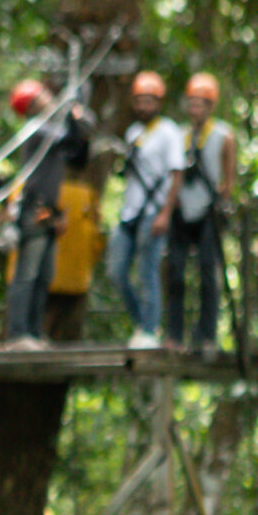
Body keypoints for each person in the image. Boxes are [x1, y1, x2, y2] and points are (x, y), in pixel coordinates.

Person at [2, 79, 92, 346]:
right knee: (27, 273)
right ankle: (18, 333)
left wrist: (80, 122)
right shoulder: (37, 131)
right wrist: (75, 115)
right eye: (41, 96)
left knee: (44, 275)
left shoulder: (50, 130)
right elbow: (70, 139)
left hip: (50, 210)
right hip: (35, 208)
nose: (48, 98)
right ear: (31, 106)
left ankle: (33, 331)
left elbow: (77, 155)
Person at [163, 73, 239, 352]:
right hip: (181, 211)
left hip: (208, 210)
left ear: (210, 106)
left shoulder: (223, 135)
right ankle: (174, 335)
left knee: (208, 272)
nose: (195, 109)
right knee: (176, 272)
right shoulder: (179, 135)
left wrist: (220, 200)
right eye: (192, 103)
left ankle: (207, 336)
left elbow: (228, 177)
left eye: (201, 104)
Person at [104, 71, 180, 348]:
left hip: (154, 211)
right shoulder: (134, 133)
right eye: (140, 101)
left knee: (147, 271)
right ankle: (142, 322)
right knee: (116, 271)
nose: (144, 107)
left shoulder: (169, 132)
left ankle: (149, 330)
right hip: (129, 212)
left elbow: (176, 174)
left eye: (150, 101)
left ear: (159, 102)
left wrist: (165, 214)